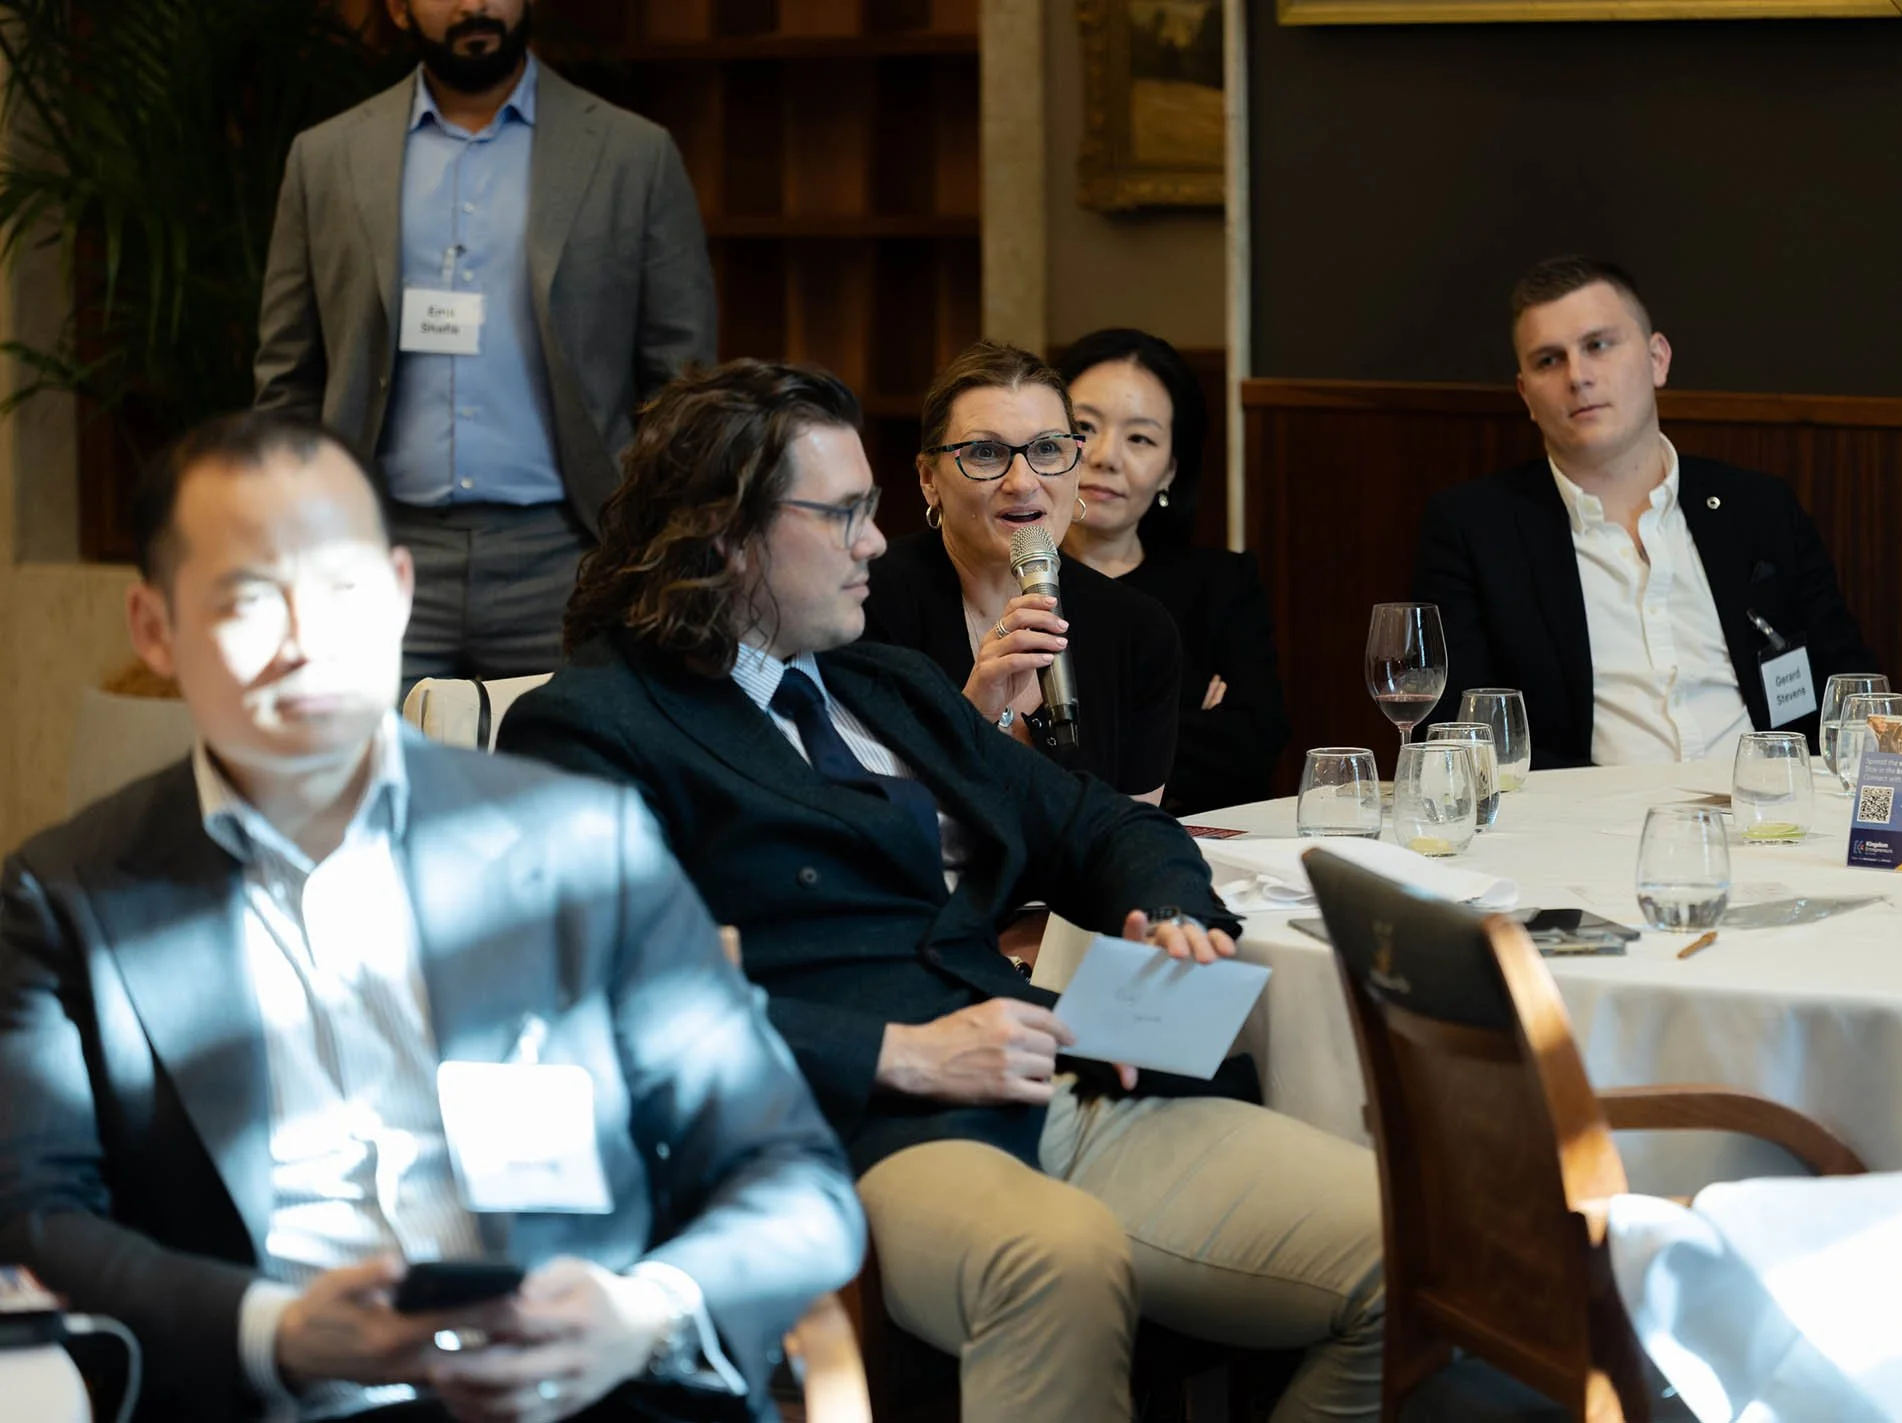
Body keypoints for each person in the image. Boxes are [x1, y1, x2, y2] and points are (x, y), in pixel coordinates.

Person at [498, 361, 1385, 1423]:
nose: (874, 543)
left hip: (1056, 1079)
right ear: (721, 536)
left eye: (871, 512)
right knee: (1057, 1256)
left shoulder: (883, 685)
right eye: (840, 515)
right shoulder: (594, 726)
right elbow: (591, 1006)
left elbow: (1104, 820)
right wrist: (900, 1053)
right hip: (855, 1124)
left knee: (1407, 1241)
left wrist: (1173, 910)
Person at [0, 413, 862, 1422]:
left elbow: (791, 1174)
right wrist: (270, 1331)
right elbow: (35, 1215)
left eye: (342, 591)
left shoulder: (582, 841)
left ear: (400, 594)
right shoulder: (67, 892)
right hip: (273, 1396)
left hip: (581, 1390)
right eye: (248, 601)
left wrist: (639, 1311)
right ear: (156, 629)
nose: (304, 644)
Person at [254, 0, 717, 693]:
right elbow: (288, 375)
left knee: (560, 793)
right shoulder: (325, 158)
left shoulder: (631, 154)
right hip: (376, 554)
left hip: (571, 555)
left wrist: (651, 538)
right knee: (371, 787)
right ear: (399, 8)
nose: (475, 6)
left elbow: (683, 378)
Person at [1412, 255, 1875, 770]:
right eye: (1548, 360)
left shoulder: (1758, 508)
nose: (1578, 376)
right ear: (1526, 394)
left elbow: (1848, 694)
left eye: (1598, 345)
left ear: (1658, 359)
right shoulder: (1475, 530)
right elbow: (1460, 737)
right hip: (1582, 834)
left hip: (1771, 813)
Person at [861, 341, 1182, 802]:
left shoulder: (1137, 630)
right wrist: (973, 712)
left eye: (1047, 449)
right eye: (986, 453)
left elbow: (1133, 838)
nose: (1023, 482)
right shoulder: (864, 602)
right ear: (929, 479)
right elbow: (861, 816)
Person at [1057, 328, 1289, 815]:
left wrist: (1066, 735)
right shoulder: (1004, 578)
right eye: (1084, 427)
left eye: (1139, 438)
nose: (1105, 457)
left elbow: (1249, 751)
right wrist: (1174, 721)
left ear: (1168, 471)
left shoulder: (1223, 586)